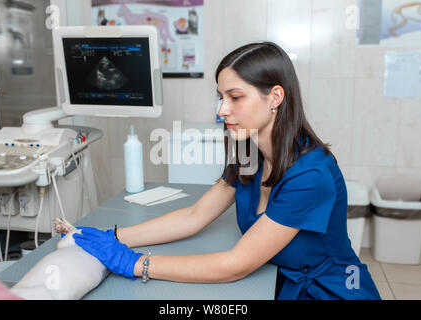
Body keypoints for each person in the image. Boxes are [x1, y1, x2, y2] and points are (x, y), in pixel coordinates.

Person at [72, 42, 381, 300]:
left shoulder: (310, 176)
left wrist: (133, 262)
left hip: (330, 292)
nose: (221, 110)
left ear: (275, 97)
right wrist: (113, 236)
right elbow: (194, 216)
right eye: (220, 97)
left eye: (235, 97)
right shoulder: (250, 153)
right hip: (279, 281)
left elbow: (235, 265)